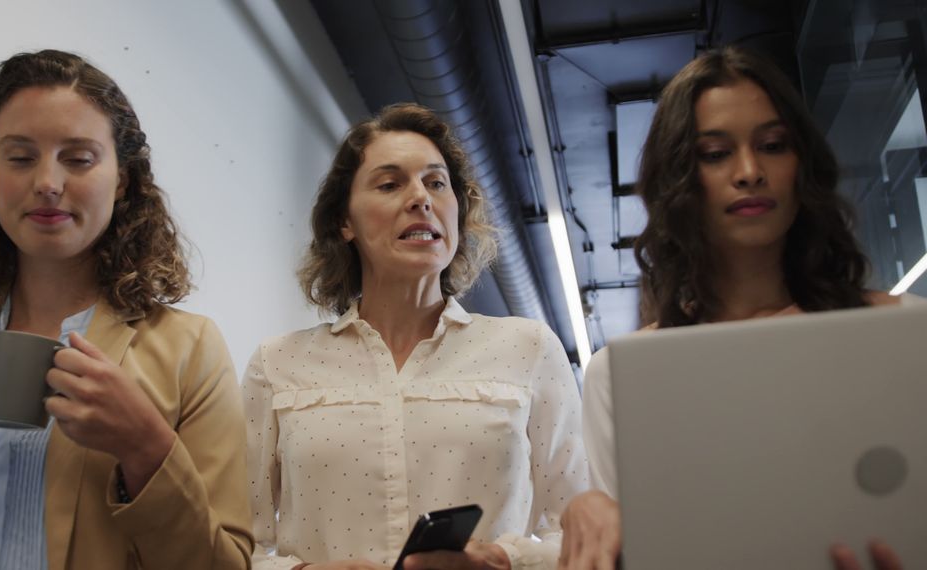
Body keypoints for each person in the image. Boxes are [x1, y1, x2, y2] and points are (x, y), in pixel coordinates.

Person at [0, 50, 253, 569]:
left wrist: (146, 447)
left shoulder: (189, 351)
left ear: (122, 179)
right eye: (20, 157)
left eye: (78, 158)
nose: (47, 182)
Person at [556, 46, 911, 570]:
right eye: (715, 153)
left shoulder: (898, 331)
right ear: (679, 179)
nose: (749, 171)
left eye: (772, 145)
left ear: (802, 164)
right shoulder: (626, 375)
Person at [243, 103, 589, 570]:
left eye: (436, 182)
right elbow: (238, 543)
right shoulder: (278, 363)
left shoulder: (528, 349)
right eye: (389, 184)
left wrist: (505, 561)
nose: (420, 198)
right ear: (345, 222)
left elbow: (576, 530)